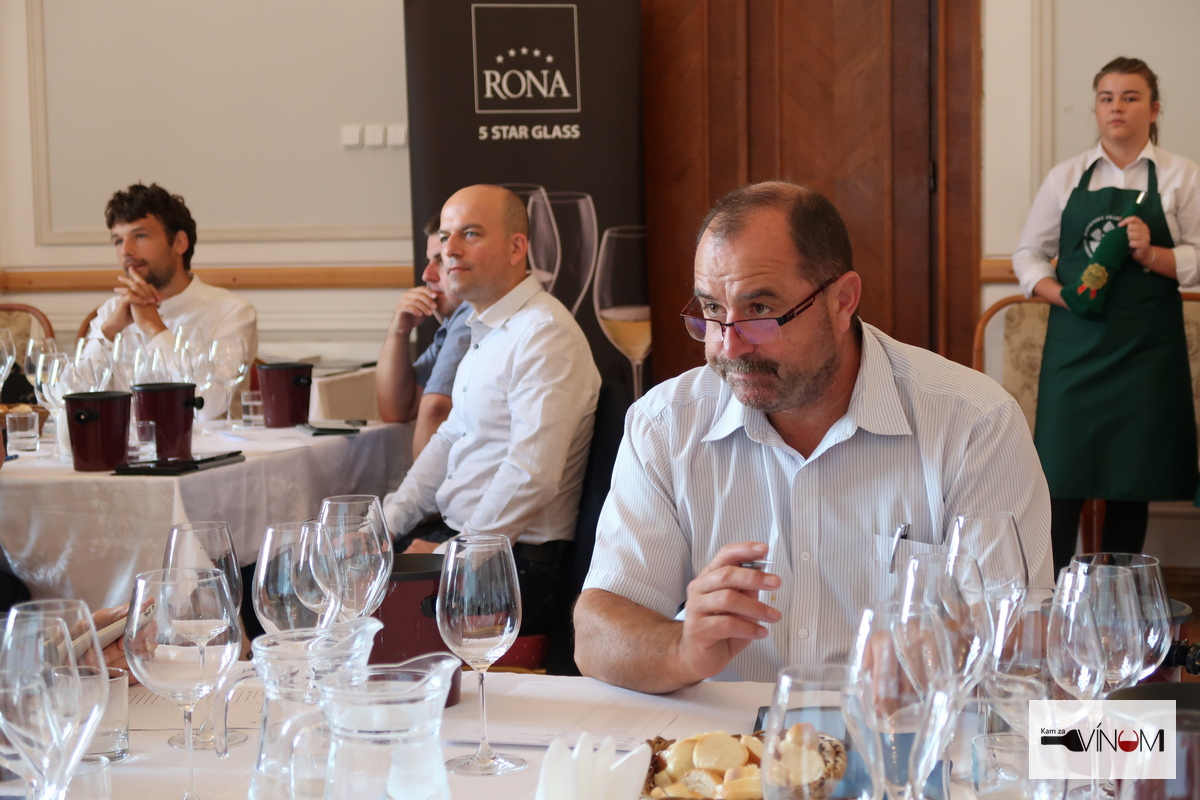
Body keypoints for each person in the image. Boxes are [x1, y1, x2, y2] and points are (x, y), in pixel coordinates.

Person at [573, 181, 1053, 693]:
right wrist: (680, 649)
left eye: (760, 310)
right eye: (712, 310)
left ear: (843, 300)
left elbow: (1027, 644)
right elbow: (597, 633)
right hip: (731, 743)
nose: (729, 347)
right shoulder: (667, 422)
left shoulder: (972, 422)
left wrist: (946, 647)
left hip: (900, 733)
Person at [382, 184, 601, 635]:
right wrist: (383, 527)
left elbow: (531, 475)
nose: (450, 250)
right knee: (336, 580)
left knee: (359, 623)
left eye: (470, 234)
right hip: (471, 546)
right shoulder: (488, 327)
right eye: (446, 236)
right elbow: (449, 438)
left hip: (516, 568)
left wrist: (449, 557)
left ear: (516, 248)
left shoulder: (544, 334)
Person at [1012, 57, 1200, 575]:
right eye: (1106, 98)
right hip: (1075, 347)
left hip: (1146, 352)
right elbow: (1028, 254)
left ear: (1154, 109)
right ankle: (1049, 600)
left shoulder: (1182, 176)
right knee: (1059, 477)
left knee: (1130, 481)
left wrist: (1151, 254)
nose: (1117, 107)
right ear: (1096, 108)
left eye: (1130, 97)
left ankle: (1117, 602)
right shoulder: (1065, 176)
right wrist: (1063, 295)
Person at [86, 183, 258, 419]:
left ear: (179, 243)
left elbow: (207, 407)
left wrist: (154, 328)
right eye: (118, 241)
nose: (126, 251)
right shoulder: (110, 313)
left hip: (207, 442)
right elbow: (65, 402)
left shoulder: (232, 311)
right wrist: (108, 331)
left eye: (140, 236)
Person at [376, 214, 472, 459]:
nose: (427, 275)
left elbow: (436, 409)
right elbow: (396, 409)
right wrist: (399, 331)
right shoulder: (452, 324)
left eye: (440, 261)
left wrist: (416, 484)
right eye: (428, 261)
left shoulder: (471, 311)